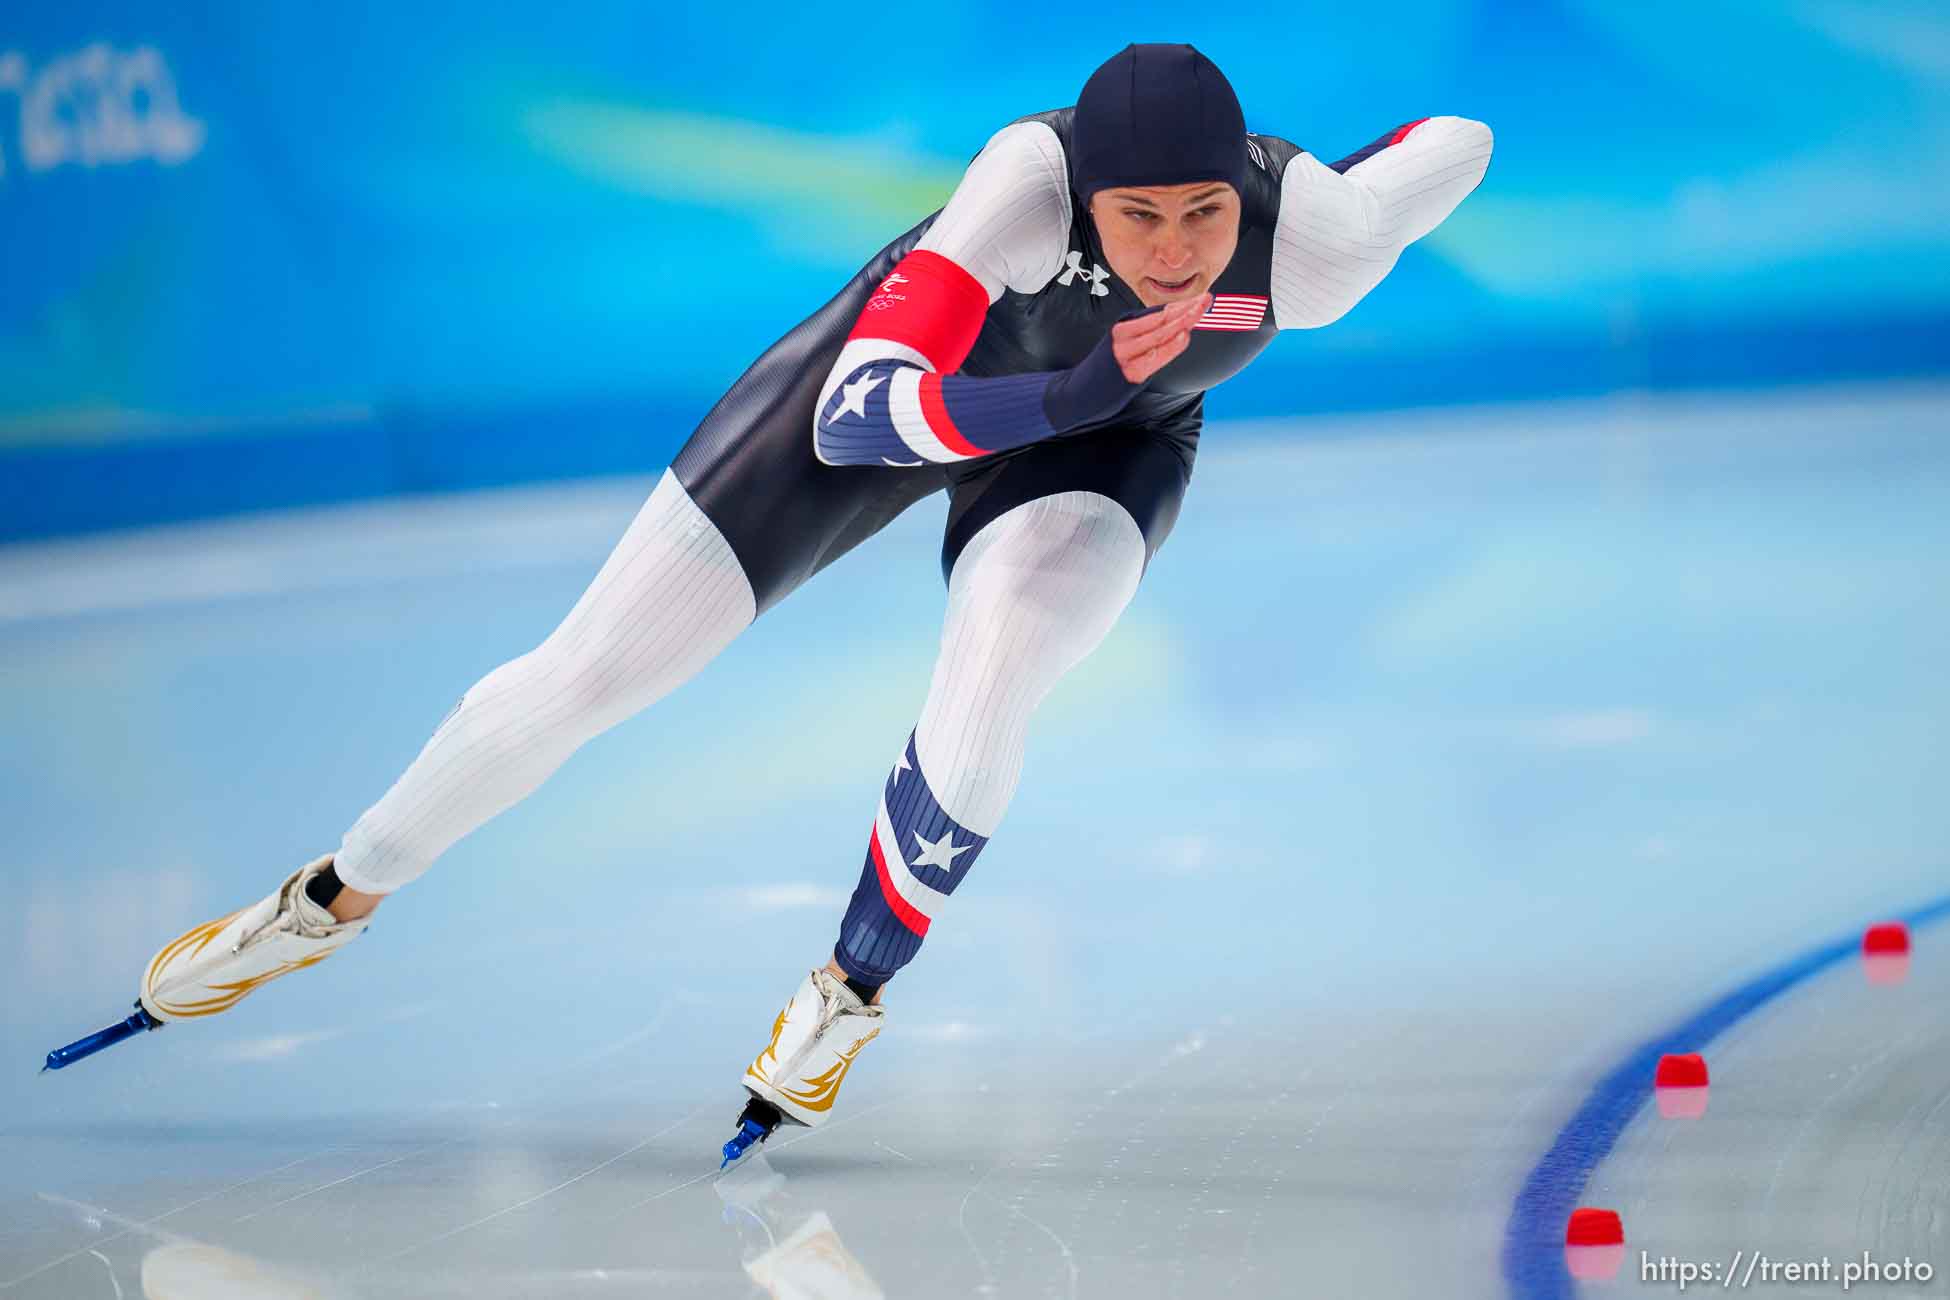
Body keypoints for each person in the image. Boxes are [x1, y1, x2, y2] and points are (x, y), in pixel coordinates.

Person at [132, 43, 1492, 1161]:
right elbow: (856, 419)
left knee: (997, 675)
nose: (1177, 252)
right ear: (1084, 197)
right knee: (594, 671)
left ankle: (848, 991)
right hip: (904, 394)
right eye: (1136, 216)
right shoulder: (1021, 184)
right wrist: (1065, 389)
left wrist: (1321, 180)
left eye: (1202, 209)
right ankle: (327, 899)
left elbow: (1455, 143)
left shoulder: (1310, 238)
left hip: (1105, 446)